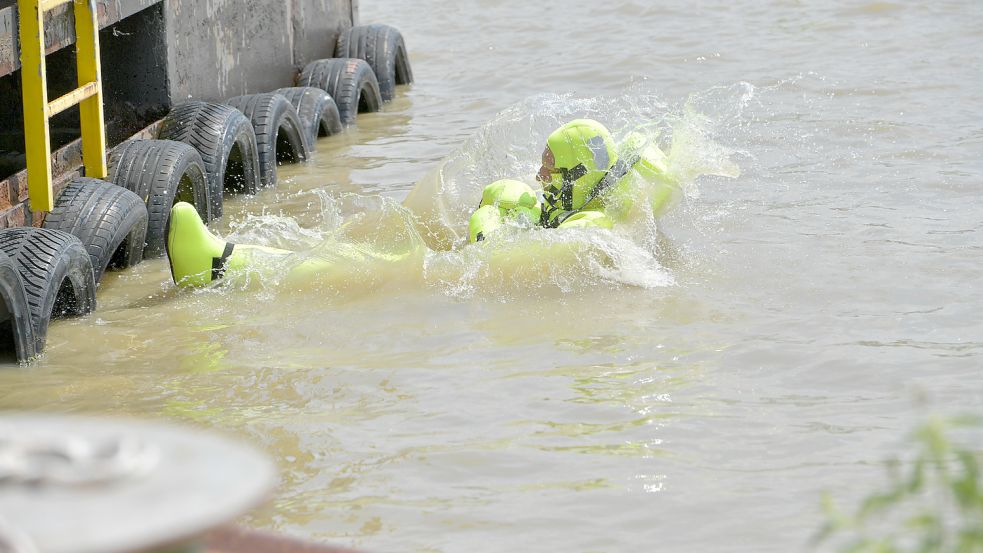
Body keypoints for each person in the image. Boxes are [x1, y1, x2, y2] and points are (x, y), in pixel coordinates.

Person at [166, 119, 680, 288]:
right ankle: (233, 258)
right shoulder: (570, 204)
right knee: (368, 241)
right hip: (467, 268)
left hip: (463, 282)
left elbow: (503, 259)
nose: (539, 172)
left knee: (368, 274)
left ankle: (220, 264)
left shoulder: (590, 226)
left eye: (550, 165)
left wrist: (489, 224)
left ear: (576, 172)